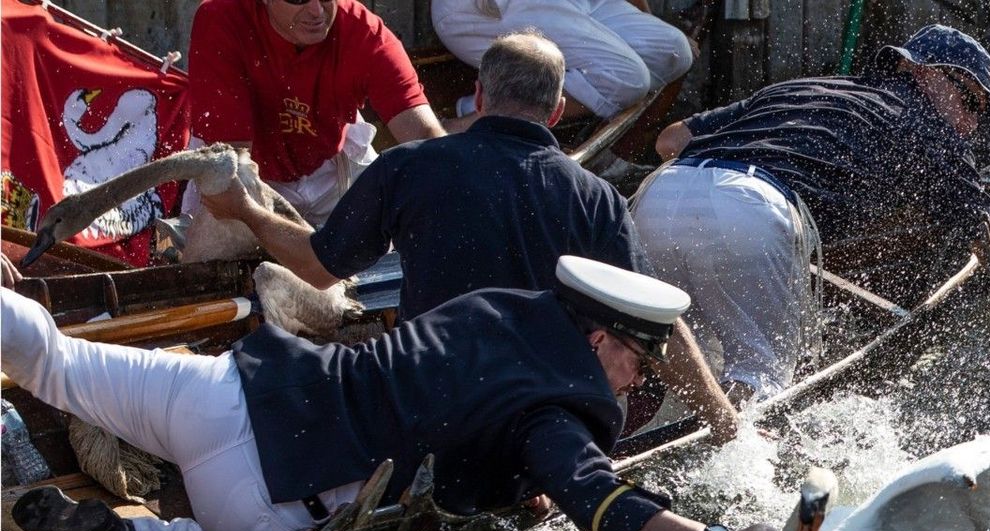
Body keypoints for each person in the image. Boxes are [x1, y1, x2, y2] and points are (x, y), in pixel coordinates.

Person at [6, 257, 777, 531]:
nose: (633, 383)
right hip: (271, 496)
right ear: (602, 338)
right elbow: (604, 505)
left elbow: (449, 400)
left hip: (223, 392)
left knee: (54, 360)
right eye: (637, 364)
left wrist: (512, 476)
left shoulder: (500, 307)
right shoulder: (555, 413)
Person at [201, 31, 740, 442]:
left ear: (479, 96)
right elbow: (652, 320)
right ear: (556, 110)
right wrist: (725, 424)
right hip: (542, 413)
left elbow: (317, 270)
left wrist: (246, 209)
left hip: (430, 402)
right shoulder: (595, 195)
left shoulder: (406, 166)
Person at [633, 24, 990, 402]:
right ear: (923, 71)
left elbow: (670, 141)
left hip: (660, 198)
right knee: (760, 384)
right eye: (970, 102)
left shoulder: (802, 87)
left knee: (667, 359)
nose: (971, 125)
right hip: (752, 211)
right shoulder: (929, 125)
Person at [185, 0, 445, 226]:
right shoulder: (221, 17)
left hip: (333, 164)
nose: (317, 10)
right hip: (246, 173)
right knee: (208, 265)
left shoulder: (363, 29)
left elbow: (425, 138)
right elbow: (233, 163)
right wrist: (297, 245)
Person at [431, 0, 693, 126]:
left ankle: (513, 100)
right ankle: (475, 119)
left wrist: (643, 25)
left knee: (672, 50)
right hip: (487, 10)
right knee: (629, 79)